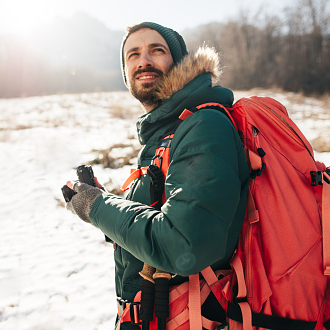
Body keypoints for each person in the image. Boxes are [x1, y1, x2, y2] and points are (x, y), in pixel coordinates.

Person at [64, 22, 250, 329]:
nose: (143, 60)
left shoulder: (204, 125)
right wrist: (101, 204)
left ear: (180, 62)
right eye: (132, 54)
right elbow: (157, 219)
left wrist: (98, 208)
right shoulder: (166, 131)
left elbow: (183, 244)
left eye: (157, 50)